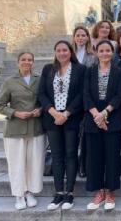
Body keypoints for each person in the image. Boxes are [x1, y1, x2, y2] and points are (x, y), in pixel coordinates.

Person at [38, 41, 86, 211]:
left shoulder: (80, 69)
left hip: (71, 118)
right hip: (52, 118)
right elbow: (42, 93)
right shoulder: (47, 69)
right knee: (57, 156)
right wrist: (53, 112)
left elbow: (82, 95)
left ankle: (70, 193)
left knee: (71, 154)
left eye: (65, 50)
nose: (62, 53)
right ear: (55, 52)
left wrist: (66, 113)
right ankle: (59, 192)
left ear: (70, 51)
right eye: (58, 50)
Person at [0, 52, 44, 210]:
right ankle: (19, 194)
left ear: (33, 62)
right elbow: (0, 106)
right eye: (23, 60)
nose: (27, 62)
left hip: (35, 127)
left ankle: (30, 192)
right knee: (17, 164)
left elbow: (45, 100)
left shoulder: (39, 80)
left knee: (34, 163)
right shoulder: (9, 82)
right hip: (15, 129)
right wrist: (15, 113)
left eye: (30, 60)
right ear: (18, 62)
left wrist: (40, 110)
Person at [84, 41, 121, 210]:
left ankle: (110, 192)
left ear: (112, 52)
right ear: (96, 52)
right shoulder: (89, 71)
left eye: (108, 50)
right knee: (94, 157)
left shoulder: (119, 71)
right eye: (101, 50)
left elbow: (119, 95)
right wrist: (96, 115)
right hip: (93, 119)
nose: (105, 53)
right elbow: (85, 94)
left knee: (112, 157)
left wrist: (104, 114)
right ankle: (99, 191)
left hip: (112, 118)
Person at [71, 25, 96, 178]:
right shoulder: (68, 54)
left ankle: (83, 165)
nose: (80, 38)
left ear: (88, 38)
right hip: (69, 100)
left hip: (85, 99)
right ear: (74, 37)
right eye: (78, 35)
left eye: (83, 35)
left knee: (85, 135)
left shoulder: (92, 56)